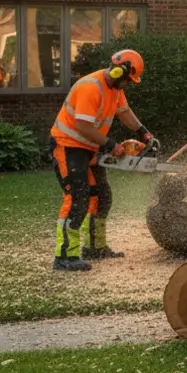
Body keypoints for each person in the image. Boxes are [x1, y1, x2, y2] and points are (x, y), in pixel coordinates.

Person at [49, 49, 154, 271]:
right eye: (127, 80)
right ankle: (64, 255)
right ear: (118, 71)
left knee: (102, 196)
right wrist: (110, 145)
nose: (126, 84)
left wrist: (143, 131)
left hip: (90, 148)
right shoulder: (91, 87)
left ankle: (95, 247)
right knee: (77, 197)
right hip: (68, 147)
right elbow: (83, 126)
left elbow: (124, 112)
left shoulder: (114, 89)